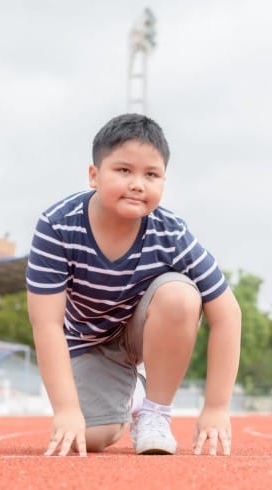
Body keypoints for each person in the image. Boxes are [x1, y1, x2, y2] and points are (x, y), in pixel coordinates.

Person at [26, 113, 242, 457]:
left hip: (143, 330)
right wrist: (67, 412)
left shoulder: (171, 234)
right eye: (124, 170)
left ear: (163, 182)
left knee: (182, 296)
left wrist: (216, 407)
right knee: (91, 437)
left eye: (151, 174)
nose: (138, 183)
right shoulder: (58, 226)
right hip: (88, 341)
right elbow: (47, 323)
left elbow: (228, 314)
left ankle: (154, 412)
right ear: (93, 176)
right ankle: (132, 396)